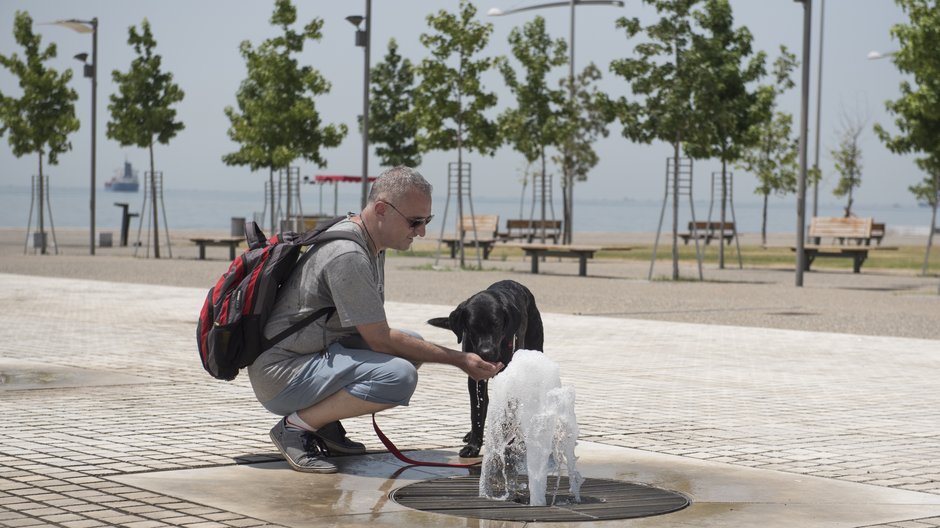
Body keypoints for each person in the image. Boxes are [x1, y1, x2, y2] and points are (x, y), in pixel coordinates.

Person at [247, 165, 502, 473]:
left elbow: (373, 334)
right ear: (381, 209)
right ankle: (295, 428)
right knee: (399, 376)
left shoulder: (370, 245)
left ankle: (321, 422)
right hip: (281, 375)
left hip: (307, 356)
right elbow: (379, 339)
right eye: (415, 221)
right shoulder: (348, 255)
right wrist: (460, 359)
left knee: (413, 345)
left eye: (427, 220)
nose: (422, 231)